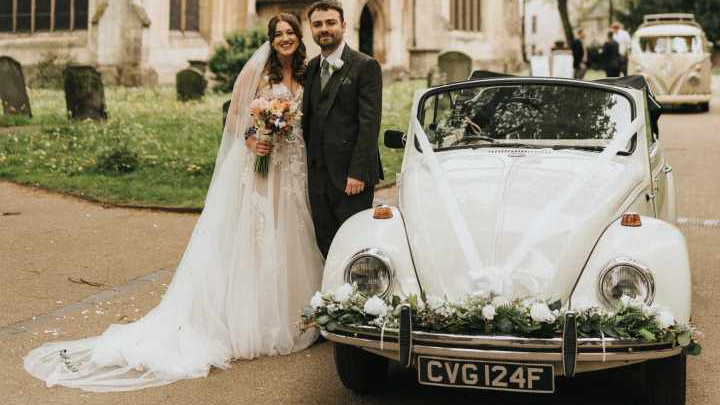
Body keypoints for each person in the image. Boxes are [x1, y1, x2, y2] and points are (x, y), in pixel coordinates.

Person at [23, 13, 324, 392]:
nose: (284, 38)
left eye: (290, 33)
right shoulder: (259, 73)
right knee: (257, 240)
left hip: (293, 170)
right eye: (278, 33)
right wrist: (251, 138)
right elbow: (236, 116)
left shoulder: (308, 73)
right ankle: (257, 323)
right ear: (271, 38)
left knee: (291, 237)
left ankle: (294, 316)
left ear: (299, 37)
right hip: (263, 169)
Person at [302, 1, 383, 258]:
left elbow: (370, 123)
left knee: (355, 245)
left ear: (343, 25)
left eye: (330, 22)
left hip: (351, 178)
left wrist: (358, 172)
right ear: (311, 29)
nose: (324, 29)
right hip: (318, 176)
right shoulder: (312, 67)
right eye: (318, 24)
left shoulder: (365, 66)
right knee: (325, 241)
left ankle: (357, 298)